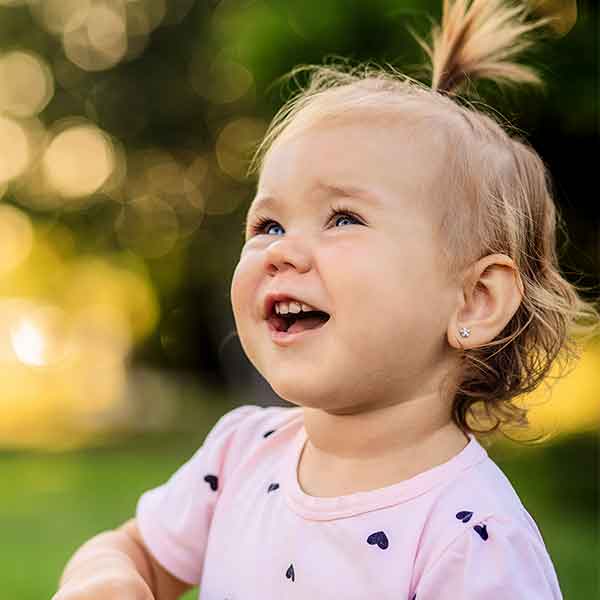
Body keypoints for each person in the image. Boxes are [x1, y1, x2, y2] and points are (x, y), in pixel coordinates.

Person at [53, 0, 599, 598]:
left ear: (473, 302)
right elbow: (133, 549)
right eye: (268, 226)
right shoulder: (240, 455)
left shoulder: (471, 539)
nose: (280, 252)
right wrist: (106, 578)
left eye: (342, 218)